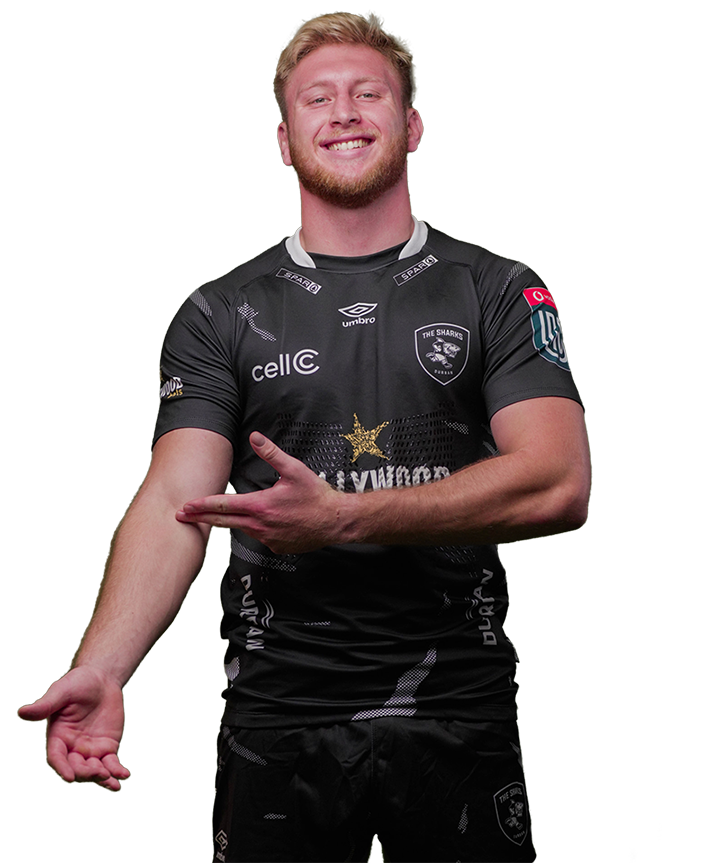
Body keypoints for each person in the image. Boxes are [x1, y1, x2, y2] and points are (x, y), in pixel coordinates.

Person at [17, 12, 591, 863]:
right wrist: (103, 666)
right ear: (285, 141)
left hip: (458, 713)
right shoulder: (218, 311)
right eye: (317, 99)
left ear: (413, 125)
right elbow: (176, 499)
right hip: (276, 723)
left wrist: (345, 517)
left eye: (369, 93)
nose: (345, 112)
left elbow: (557, 481)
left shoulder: (498, 289)